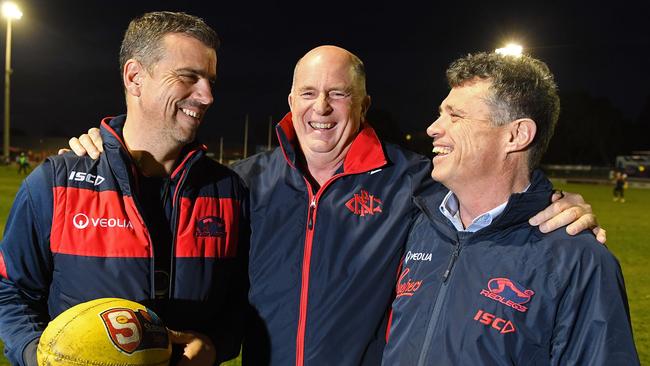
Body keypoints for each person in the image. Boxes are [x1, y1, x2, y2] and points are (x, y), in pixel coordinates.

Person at [67, 46, 603, 365]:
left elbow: (495, 194)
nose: (320, 108)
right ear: (291, 101)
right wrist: (103, 144)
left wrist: (559, 204)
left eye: (339, 94)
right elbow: (159, 194)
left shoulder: (417, 185)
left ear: (364, 104)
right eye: (307, 93)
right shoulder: (243, 182)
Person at [0, 11, 248, 366]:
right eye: (189, 77)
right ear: (135, 77)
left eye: (210, 80)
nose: (207, 96)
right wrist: (36, 355)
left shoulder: (228, 191)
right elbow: (10, 290)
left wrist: (214, 345)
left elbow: (239, 303)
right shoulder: (56, 182)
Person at [382, 52, 639, 365]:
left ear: (516, 135)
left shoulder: (578, 259)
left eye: (455, 116)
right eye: (440, 114)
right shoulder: (421, 225)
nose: (433, 128)